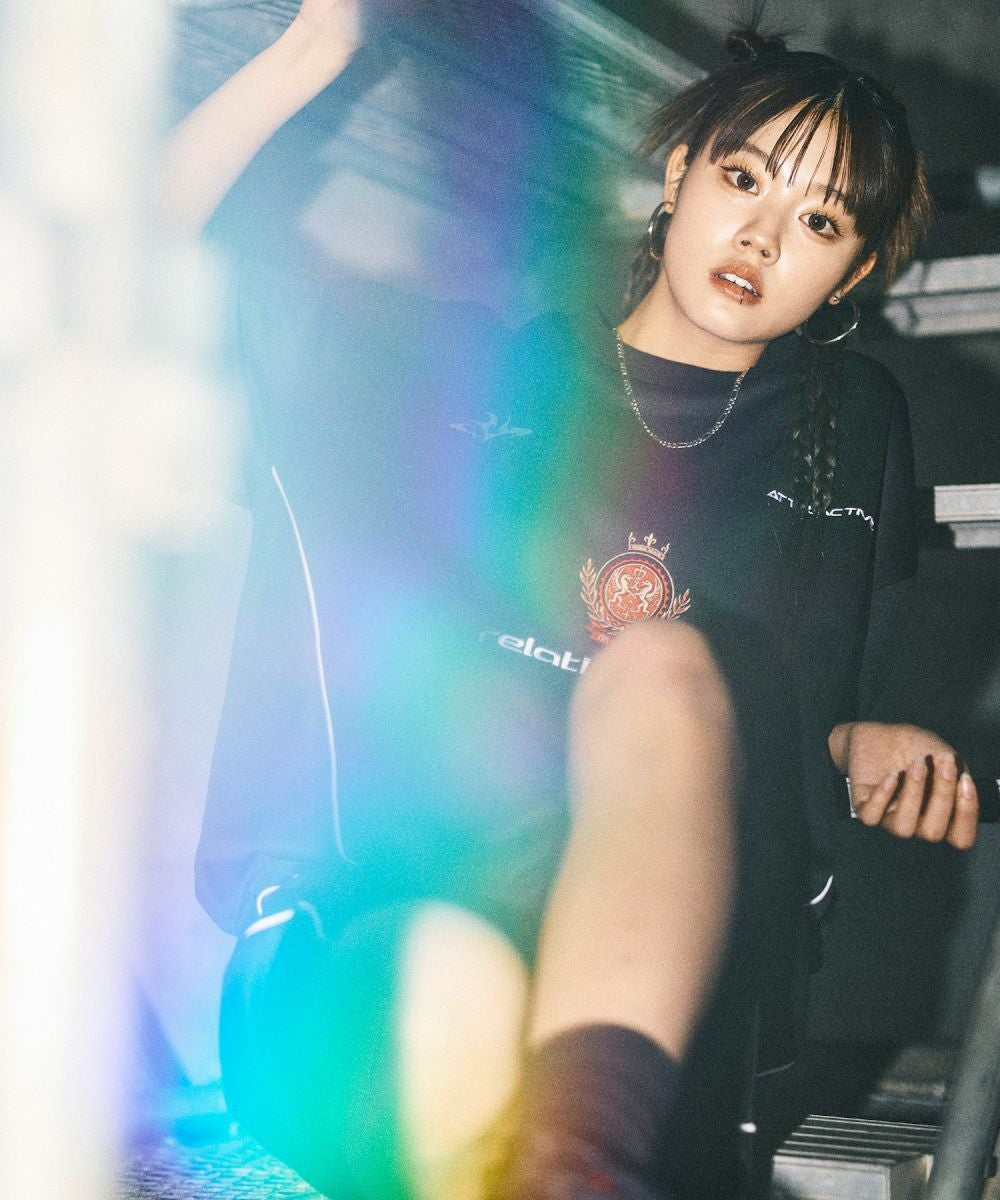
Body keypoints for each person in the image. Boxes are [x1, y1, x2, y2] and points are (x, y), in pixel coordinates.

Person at [167, 3, 981, 1198]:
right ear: (678, 173)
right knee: (451, 997)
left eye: (818, 221)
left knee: (659, 666)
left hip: (665, 1012)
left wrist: (854, 741)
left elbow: (792, 711)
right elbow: (113, 273)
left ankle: (579, 1161)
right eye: (742, 177)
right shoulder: (465, 372)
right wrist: (311, 52)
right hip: (382, 944)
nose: (762, 235)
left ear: (852, 273)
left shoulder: (845, 429)